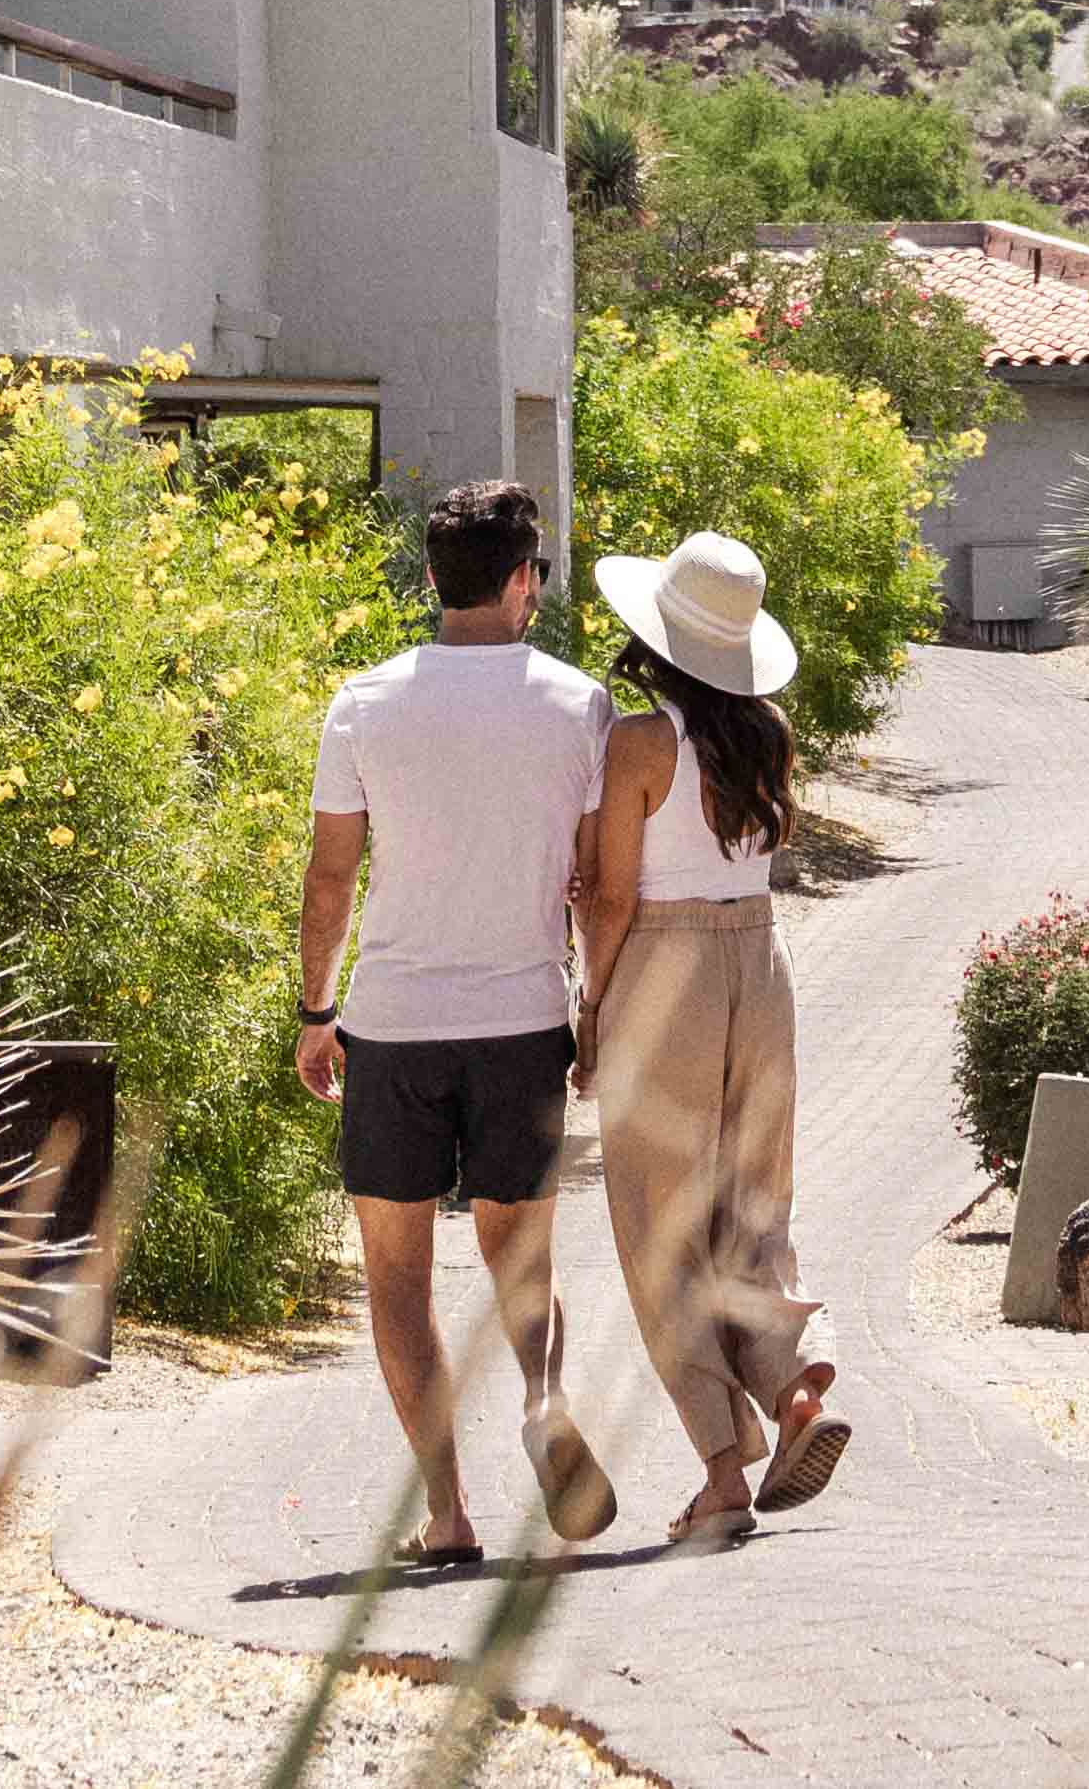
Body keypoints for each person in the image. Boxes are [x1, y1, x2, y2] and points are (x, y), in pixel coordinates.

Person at [296, 477, 621, 1564]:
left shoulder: (364, 702)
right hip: (521, 1017)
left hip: (391, 1023)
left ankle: (445, 1513)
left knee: (395, 1271)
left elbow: (330, 878)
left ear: (433, 575)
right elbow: (593, 882)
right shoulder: (580, 706)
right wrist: (591, 1008)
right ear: (525, 577)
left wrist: (314, 1009)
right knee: (518, 1248)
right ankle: (540, 1398)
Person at [571, 530, 843, 1546]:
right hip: (760, 966)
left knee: (659, 1226)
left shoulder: (639, 742)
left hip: (666, 970)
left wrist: (590, 1011)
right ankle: (798, 1389)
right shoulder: (767, 733)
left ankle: (724, 1468)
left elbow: (608, 896)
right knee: (754, 1203)